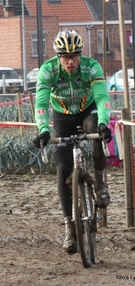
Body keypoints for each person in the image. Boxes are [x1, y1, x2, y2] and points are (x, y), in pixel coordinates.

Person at [33, 29, 112, 254]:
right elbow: (41, 103)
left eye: (74, 56)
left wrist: (104, 123)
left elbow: (102, 96)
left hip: (87, 111)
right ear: (58, 57)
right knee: (63, 168)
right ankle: (69, 225)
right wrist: (43, 130)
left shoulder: (91, 66)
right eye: (65, 57)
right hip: (62, 116)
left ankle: (99, 181)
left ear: (80, 54)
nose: (70, 62)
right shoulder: (48, 70)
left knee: (95, 133)